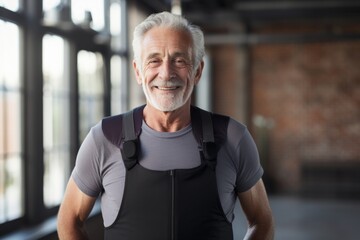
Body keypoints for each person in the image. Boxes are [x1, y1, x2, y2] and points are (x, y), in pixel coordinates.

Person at [57, 11, 274, 240]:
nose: (166, 73)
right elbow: (68, 220)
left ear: (197, 71)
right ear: (138, 72)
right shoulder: (105, 139)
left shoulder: (232, 137)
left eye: (179, 61)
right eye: (154, 60)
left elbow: (263, 221)